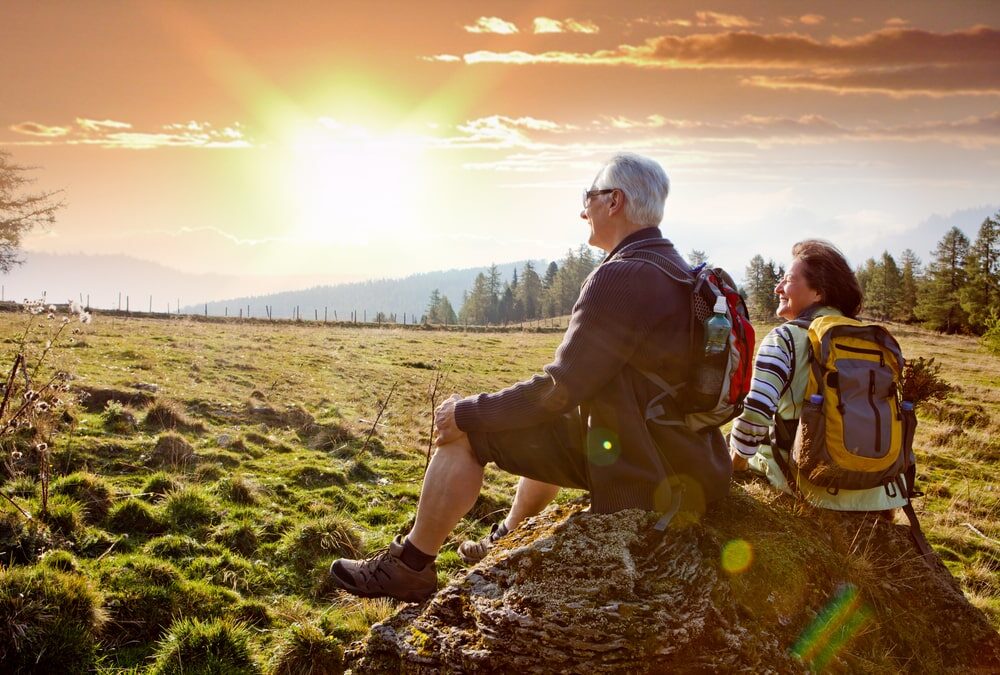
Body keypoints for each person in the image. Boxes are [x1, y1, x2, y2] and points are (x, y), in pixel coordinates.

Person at [328, 152, 732, 602]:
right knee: (545, 424)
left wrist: (466, 412)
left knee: (466, 435)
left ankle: (410, 566)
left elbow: (559, 390)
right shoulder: (679, 270)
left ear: (614, 201)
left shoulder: (621, 276)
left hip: (647, 473)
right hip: (691, 461)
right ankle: (505, 536)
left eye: (589, 197)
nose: (584, 210)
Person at [728, 240, 909, 512]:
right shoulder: (872, 341)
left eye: (788, 280)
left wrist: (734, 468)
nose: (778, 288)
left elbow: (755, 416)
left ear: (818, 294)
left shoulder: (784, 338)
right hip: (876, 492)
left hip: (810, 486)